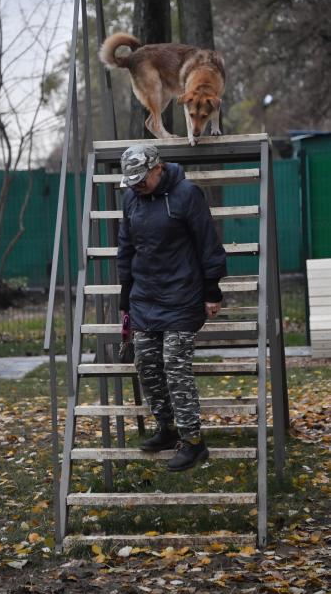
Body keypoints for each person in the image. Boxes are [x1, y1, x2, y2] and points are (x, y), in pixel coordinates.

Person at [117, 145, 227, 472]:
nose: (137, 185)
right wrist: (126, 294)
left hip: (182, 295)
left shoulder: (186, 194)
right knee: (146, 363)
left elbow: (208, 242)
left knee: (175, 366)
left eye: (141, 178)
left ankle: (194, 442)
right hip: (145, 297)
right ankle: (167, 429)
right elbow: (126, 246)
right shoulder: (132, 200)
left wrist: (212, 289)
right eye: (131, 180)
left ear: (158, 168)